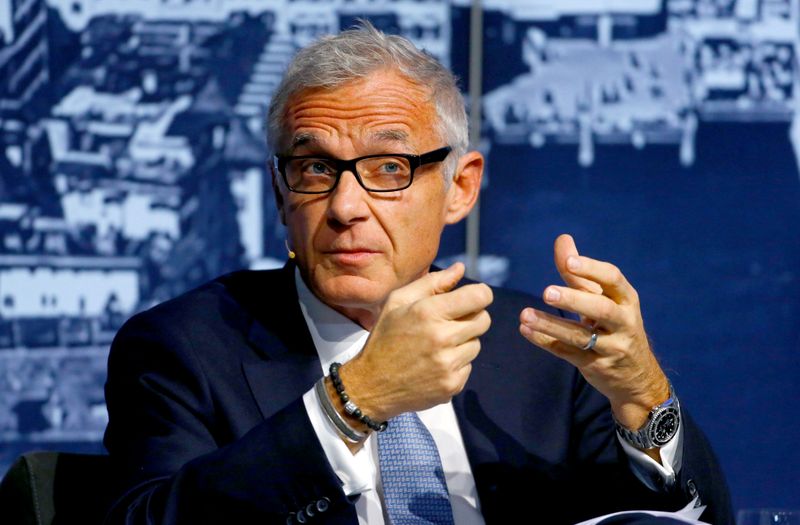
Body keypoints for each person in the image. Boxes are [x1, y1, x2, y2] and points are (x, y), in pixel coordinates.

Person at [103, 24, 733, 525]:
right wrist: (351, 405)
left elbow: (689, 520)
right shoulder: (183, 350)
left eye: (387, 168)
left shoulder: (541, 351)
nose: (346, 208)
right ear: (279, 191)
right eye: (315, 169)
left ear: (460, 187)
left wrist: (646, 397)